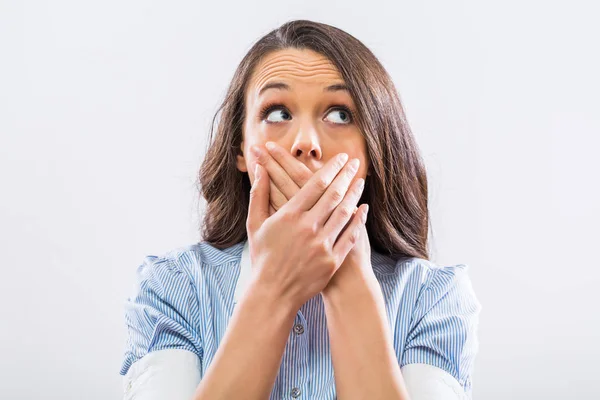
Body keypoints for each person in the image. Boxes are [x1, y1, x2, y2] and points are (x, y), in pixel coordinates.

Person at [119, 19, 482, 400]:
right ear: (241, 149)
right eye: (277, 113)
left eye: (340, 114)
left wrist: (348, 282)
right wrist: (273, 288)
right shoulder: (173, 288)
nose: (305, 143)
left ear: (373, 151)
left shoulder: (434, 299)